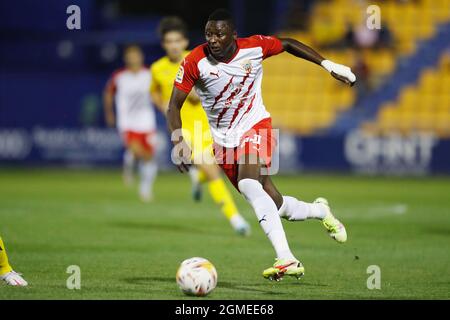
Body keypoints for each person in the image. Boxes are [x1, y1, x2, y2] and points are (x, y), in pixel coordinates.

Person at [167, 9, 356, 280]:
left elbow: (288, 43)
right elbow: (173, 106)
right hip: (222, 143)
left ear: (234, 35)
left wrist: (329, 65)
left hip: (256, 126)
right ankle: (320, 210)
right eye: (209, 34)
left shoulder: (253, 47)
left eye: (220, 34)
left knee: (248, 183)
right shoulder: (195, 61)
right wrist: (179, 140)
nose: (214, 39)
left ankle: (286, 258)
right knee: (275, 204)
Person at [150, 17, 250, 236]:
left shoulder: (197, 60)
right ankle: (236, 220)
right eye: (169, 41)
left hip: (208, 125)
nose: (174, 45)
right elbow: (155, 91)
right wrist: (163, 107)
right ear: (164, 44)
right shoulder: (157, 69)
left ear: (185, 41)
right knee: (214, 172)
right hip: (185, 130)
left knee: (219, 169)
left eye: (177, 40)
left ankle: (197, 178)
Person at [103, 45, 158, 202]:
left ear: (141, 57)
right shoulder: (119, 76)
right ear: (125, 58)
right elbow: (108, 93)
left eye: (136, 55)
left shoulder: (149, 74)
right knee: (138, 151)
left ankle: (145, 188)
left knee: (149, 158)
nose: (134, 58)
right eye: (130, 56)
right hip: (127, 123)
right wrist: (109, 113)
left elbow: (157, 92)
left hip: (146, 122)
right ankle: (130, 162)